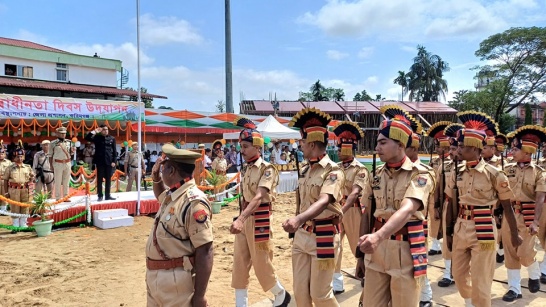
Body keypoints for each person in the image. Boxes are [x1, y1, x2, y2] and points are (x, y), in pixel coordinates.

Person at [357, 109, 435, 307]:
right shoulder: (375, 175)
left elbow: (408, 209)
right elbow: (366, 216)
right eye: (377, 143)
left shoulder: (421, 174)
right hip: (376, 252)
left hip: (406, 249)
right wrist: (360, 255)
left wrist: (377, 236)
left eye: (382, 143)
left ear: (400, 144)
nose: (377, 148)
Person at [444, 111, 522, 307]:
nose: (457, 150)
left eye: (462, 146)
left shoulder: (495, 174)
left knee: (481, 280)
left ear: (475, 147)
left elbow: (506, 206)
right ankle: (471, 303)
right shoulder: (456, 171)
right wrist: (448, 232)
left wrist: (514, 233)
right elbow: (452, 204)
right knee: (459, 276)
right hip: (461, 226)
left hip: (484, 228)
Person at [282, 107, 344, 306]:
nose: (300, 145)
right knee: (301, 294)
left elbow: (325, 199)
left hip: (323, 234)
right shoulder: (307, 170)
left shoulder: (333, 171)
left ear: (313, 142)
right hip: (302, 237)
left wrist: (298, 219)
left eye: (302, 141)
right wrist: (298, 222)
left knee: (320, 294)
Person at [230, 116, 291, 307]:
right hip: (245, 218)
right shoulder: (247, 168)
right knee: (240, 263)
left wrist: (240, 218)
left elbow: (258, 197)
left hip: (259, 220)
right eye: (241, 145)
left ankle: (280, 294)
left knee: (261, 263)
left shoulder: (267, 169)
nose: (243, 149)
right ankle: (241, 304)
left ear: (257, 147)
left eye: (246, 146)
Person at [146, 143, 213, 307]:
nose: (161, 170)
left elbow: (205, 250)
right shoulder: (175, 193)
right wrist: (156, 178)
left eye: (164, 167)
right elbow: (161, 197)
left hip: (176, 282)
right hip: (156, 279)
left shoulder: (194, 202)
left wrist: (199, 296)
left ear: (171, 171)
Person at [500, 125, 546, 301]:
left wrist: (535, 221)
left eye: (515, 148)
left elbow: (540, 197)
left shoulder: (539, 173)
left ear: (527, 151)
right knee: (511, 252)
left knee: (525, 253)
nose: (512, 151)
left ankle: (533, 273)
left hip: (527, 215)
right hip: (510, 214)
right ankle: (514, 289)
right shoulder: (508, 168)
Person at [331, 121, 368, 296]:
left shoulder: (360, 169)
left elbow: (354, 193)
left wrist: (341, 210)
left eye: (340, 149)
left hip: (352, 210)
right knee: (335, 245)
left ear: (347, 149)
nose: (337, 152)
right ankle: (337, 282)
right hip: (338, 208)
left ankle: (367, 275)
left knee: (357, 246)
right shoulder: (336, 168)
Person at [4, 144, 35, 229]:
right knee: (15, 207)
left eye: (21, 156)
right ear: (14, 158)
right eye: (18, 157)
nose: (20, 158)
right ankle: (16, 225)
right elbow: (5, 180)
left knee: (25, 206)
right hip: (14, 190)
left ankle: (23, 225)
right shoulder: (9, 168)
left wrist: (32, 177)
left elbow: (32, 179)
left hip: (25, 190)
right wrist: (6, 192)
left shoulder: (28, 167)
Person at [85, 125, 117, 201]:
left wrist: (114, 161)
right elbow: (87, 138)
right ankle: (100, 195)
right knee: (99, 179)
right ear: (101, 131)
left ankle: (107, 195)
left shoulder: (112, 139)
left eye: (106, 129)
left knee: (108, 179)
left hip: (109, 161)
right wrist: (95, 131)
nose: (105, 131)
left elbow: (114, 151)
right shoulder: (97, 138)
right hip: (100, 161)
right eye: (103, 130)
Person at [49, 126, 75, 202]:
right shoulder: (53, 143)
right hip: (58, 163)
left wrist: (73, 151)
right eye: (61, 133)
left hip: (67, 162)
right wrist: (51, 165)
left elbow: (71, 153)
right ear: (57, 134)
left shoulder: (69, 142)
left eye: (64, 133)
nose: (63, 135)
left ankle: (66, 196)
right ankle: (57, 197)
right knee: (57, 180)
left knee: (66, 181)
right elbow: (50, 155)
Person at [0, 142, 12, 212]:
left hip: (4, 181)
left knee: (4, 195)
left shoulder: (8, 162)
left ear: (5, 155)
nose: (0, 155)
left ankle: (3, 210)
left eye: (2, 154)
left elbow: (11, 171)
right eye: (0, 154)